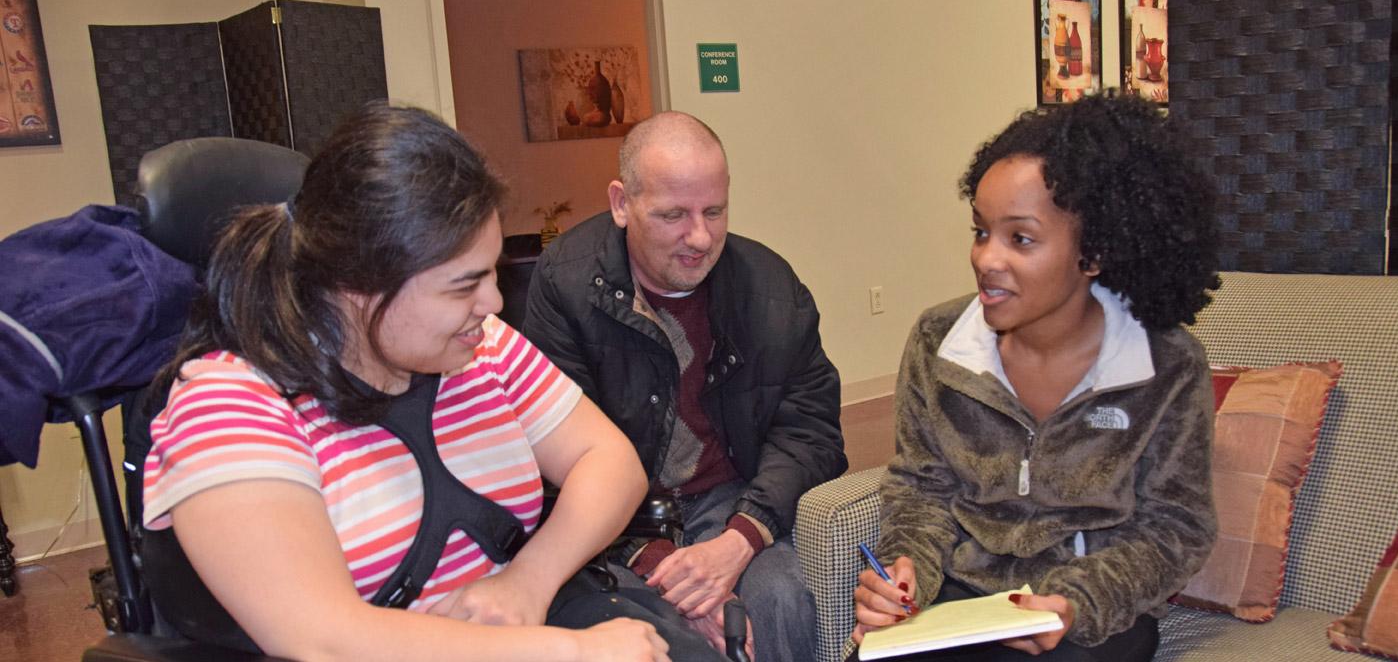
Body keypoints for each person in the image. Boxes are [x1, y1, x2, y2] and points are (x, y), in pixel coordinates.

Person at [141, 103, 727, 662]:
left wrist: (526, 583)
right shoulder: (230, 404)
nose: (493, 303)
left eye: (492, 275)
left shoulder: (482, 348)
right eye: (462, 285)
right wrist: (570, 650)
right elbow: (324, 639)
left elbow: (610, 461)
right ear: (359, 283)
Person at [852, 92, 1220, 661]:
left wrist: (1072, 601)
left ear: (1093, 252)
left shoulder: (1164, 365)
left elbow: (1176, 526)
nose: (986, 259)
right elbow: (922, 489)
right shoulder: (939, 340)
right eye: (980, 231)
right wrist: (907, 573)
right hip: (962, 601)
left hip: (1087, 620)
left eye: (1020, 238)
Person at [524, 110, 847, 662]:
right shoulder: (566, 285)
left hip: (733, 500)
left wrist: (741, 539)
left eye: (714, 212)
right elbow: (553, 456)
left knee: (782, 598)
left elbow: (811, 433)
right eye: (673, 215)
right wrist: (664, 569)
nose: (700, 237)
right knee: (651, 631)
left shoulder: (771, 288)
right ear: (622, 203)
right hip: (617, 517)